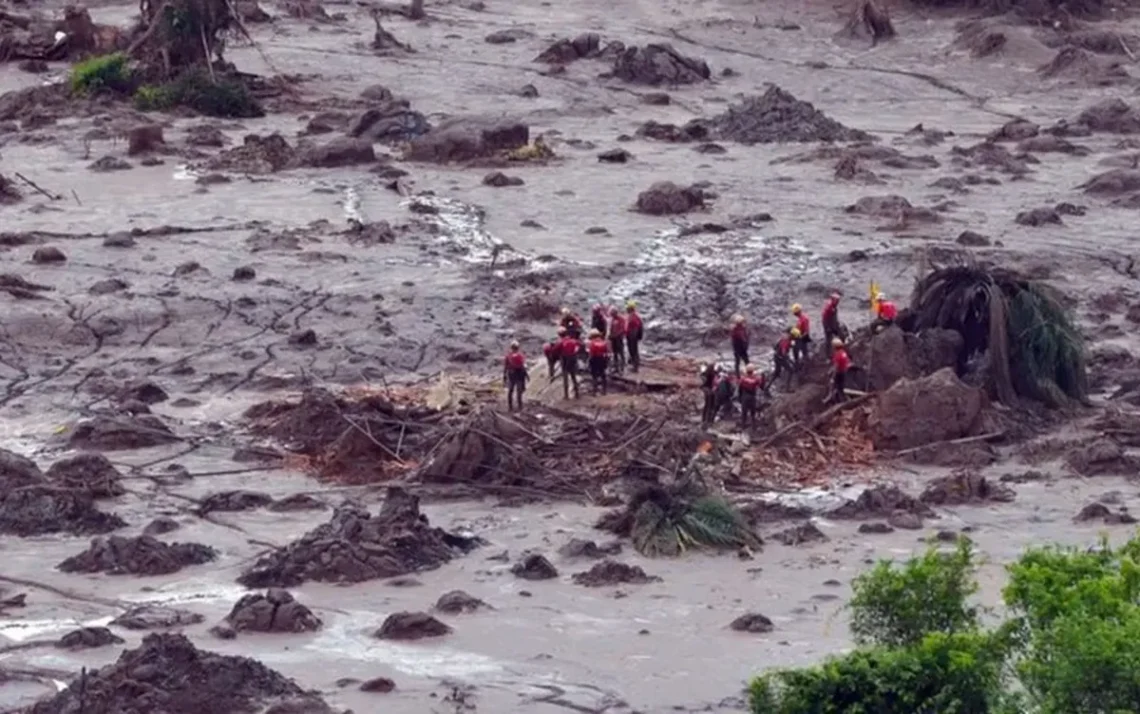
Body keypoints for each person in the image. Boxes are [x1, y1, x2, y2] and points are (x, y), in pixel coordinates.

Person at [503, 341, 529, 411]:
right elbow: (523, 366)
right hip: (520, 374)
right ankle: (520, 406)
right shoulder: (520, 355)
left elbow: (505, 366)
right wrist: (527, 375)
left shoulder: (508, 356)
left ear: (511, 347)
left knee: (510, 390)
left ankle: (510, 406)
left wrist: (504, 376)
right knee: (519, 390)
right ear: (518, 348)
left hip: (511, 374)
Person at [558, 329, 582, 399]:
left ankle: (566, 395)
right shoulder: (573, 341)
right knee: (573, 376)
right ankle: (577, 393)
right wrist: (576, 351)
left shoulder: (561, 342)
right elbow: (580, 345)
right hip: (573, 358)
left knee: (565, 377)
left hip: (565, 359)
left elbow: (555, 350)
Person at [586, 329, 610, 395]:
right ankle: (604, 391)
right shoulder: (604, 342)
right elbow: (607, 352)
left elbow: (591, 354)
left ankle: (594, 391)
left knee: (594, 376)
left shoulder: (592, 343)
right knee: (603, 375)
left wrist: (588, 361)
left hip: (595, 359)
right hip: (602, 359)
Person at [738, 364, 762, 428]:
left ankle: (743, 425)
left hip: (745, 396)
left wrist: (739, 397)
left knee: (744, 412)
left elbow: (740, 389)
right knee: (752, 412)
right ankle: (753, 425)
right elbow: (761, 385)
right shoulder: (755, 379)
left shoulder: (743, 379)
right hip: (752, 396)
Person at [829, 337, 852, 403]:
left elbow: (836, 366)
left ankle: (840, 401)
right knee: (842, 386)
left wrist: (833, 378)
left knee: (838, 387)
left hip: (840, 372)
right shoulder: (843, 352)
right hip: (845, 371)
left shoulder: (837, 355)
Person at [625, 300, 644, 372]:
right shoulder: (632, 316)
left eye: (627, 308)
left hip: (632, 337)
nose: (626, 309)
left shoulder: (634, 317)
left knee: (634, 351)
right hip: (630, 336)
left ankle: (635, 366)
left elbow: (636, 328)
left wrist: (632, 337)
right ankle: (634, 364)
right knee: (632, 351)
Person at [608, 307, 626, 374]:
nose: (612, 315)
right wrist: (610, 335)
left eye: (613, 314)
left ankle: (622, 367)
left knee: (621, 353)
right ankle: (616, 367)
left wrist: (616, 335)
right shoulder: (612, 320)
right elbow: (611, 329)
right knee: (615, 353)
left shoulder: (621, 319)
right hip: (613, 339)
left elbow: (622, 329)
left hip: (619, 339)